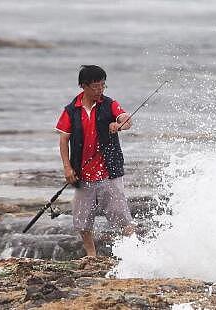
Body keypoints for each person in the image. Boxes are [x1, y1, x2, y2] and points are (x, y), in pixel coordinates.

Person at [55, 65, 136, 257]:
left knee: (122, 217)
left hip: (109, 172)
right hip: (83, 174)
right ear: (84, 86)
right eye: (95, 86)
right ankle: (91, 255)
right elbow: (63, 139)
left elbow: (126, 119)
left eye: (102, 86)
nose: (100, 90)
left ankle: (135, 252)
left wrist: (120, 123)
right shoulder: (71, 110)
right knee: (82, 220)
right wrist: (67, 168)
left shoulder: (109, 104)